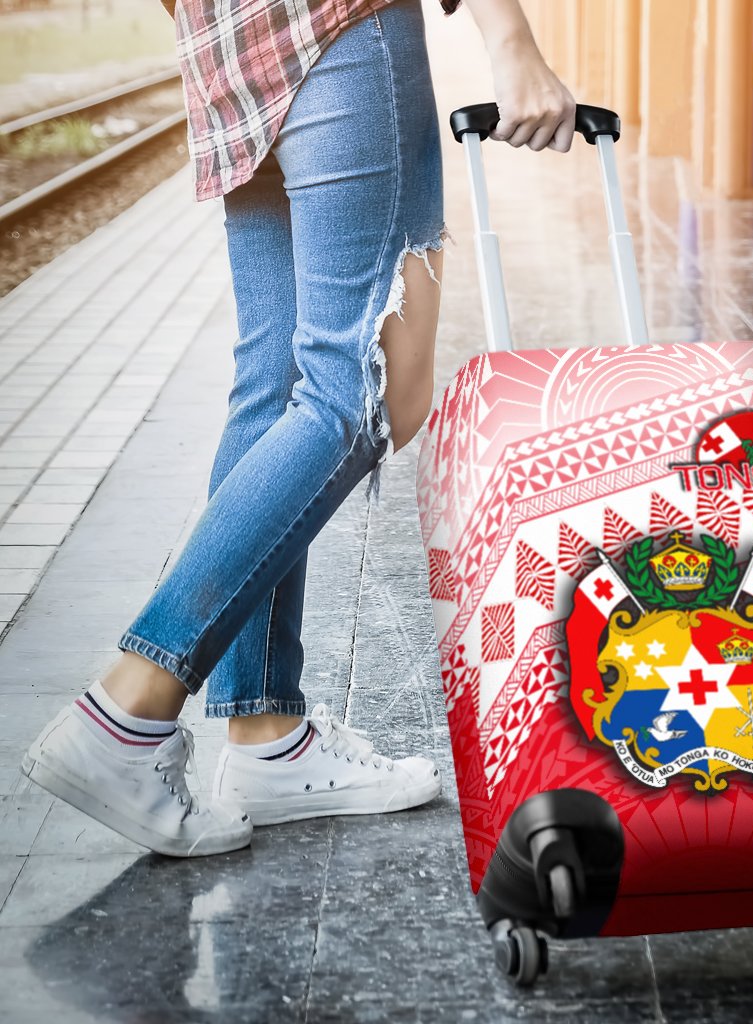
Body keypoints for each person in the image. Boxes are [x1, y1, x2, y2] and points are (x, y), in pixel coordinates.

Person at [21, 0, 576, 857]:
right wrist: (512, 42)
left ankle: (266, 735)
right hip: (342, 28)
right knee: (361, 393)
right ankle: (128, 708)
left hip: (227, 50)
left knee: (277, 385)